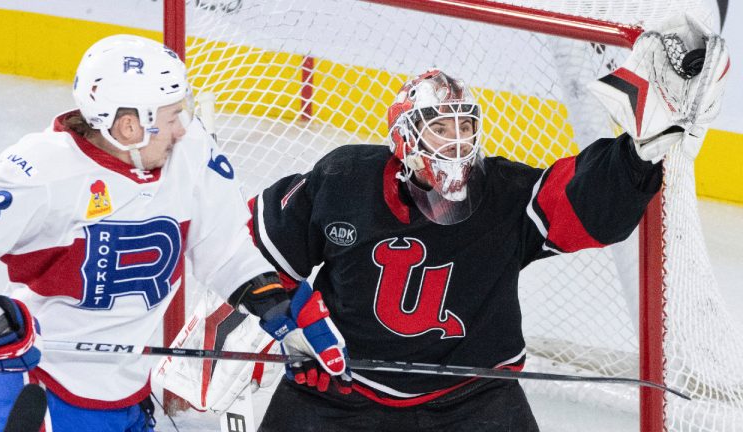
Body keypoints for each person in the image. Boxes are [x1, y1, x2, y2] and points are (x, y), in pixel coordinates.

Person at [245, 15, 729, 432]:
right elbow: (253, 256)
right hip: (344, 388)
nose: (456, 141)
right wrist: (290, 329)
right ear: (404, 138)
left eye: (465, 126)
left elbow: (579, 206)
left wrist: (636, 157)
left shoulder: (502, 192)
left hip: (473, 397)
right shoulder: (345, 177)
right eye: (439, 126)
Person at [0, 34, 346, 431]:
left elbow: (223, 249)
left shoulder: (190, 153)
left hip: (130, 387)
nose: (183, 129)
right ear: (129, 126)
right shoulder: (44, 170)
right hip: (46, 385)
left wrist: (279, 310)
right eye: (171, 117)